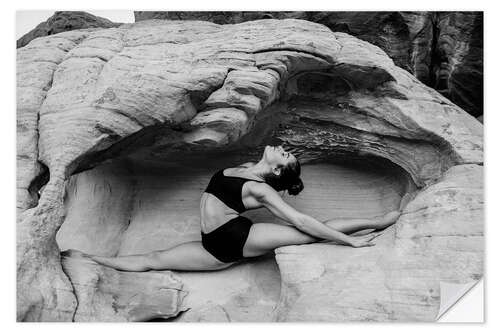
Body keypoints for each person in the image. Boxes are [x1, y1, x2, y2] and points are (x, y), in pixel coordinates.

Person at [66, 145, 401, 272]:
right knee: (154, 260)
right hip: (213, 246)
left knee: (306, 234)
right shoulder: (241, 167)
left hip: (238, 238)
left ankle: (376, 222)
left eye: (286, 156)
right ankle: (90, 259)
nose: (283, 149)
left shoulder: (260, 189)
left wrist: (349, 243)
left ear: (279, 171)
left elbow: (299, 218)